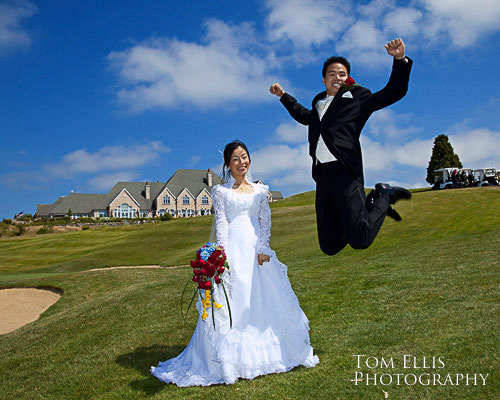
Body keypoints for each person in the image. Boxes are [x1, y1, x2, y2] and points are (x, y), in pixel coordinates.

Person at [151, 140, 318, 386]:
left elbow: (265, 221)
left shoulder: (261, 190)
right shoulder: (221, 192)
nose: (242, 162)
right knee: (233, 300)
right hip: (234, 250)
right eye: (236, 159)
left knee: (264, 299)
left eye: (244, 157)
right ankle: (230, 361)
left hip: (256, 250)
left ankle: (274, 354)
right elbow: (222, 224)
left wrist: (263, 247)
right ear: (228, 166)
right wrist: (222, 255)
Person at [269, 38, 413, 256]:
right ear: (324, 79)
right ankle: (366, 208)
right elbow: (304, 116)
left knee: (361, 239)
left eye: (342, 74)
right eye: (332, 74)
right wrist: (283, 96)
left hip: (345, 172)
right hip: (322, 176)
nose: (337, 77)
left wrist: (400, 59)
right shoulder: (318, 103)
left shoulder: (357, 98)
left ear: (347, 78)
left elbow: (394, 91)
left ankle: (383, 196)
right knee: (329, 246)